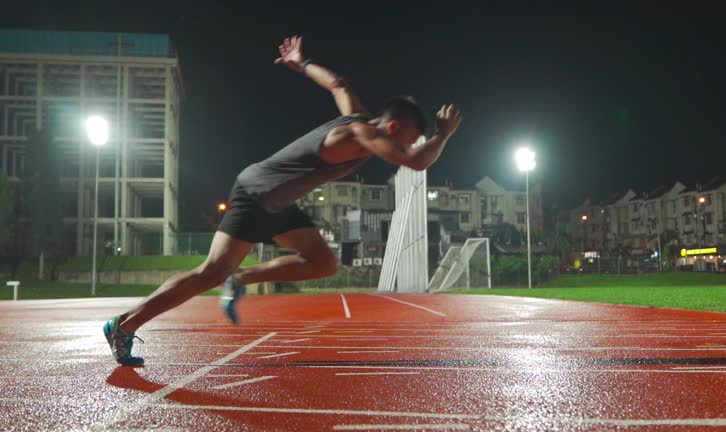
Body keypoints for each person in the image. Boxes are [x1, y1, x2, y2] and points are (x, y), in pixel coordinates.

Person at [103, 35, 463, 366]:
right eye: (408, 139)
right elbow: (415, 162)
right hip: (257, 193)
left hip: (278, 202)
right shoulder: (360, 132)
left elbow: (339, 85)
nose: (407, 146)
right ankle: (124, 324)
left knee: (323, 263)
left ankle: (240, 279)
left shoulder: (357, 117)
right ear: (394, 129)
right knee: (210, 272)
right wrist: (443, 135)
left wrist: (302, 62)